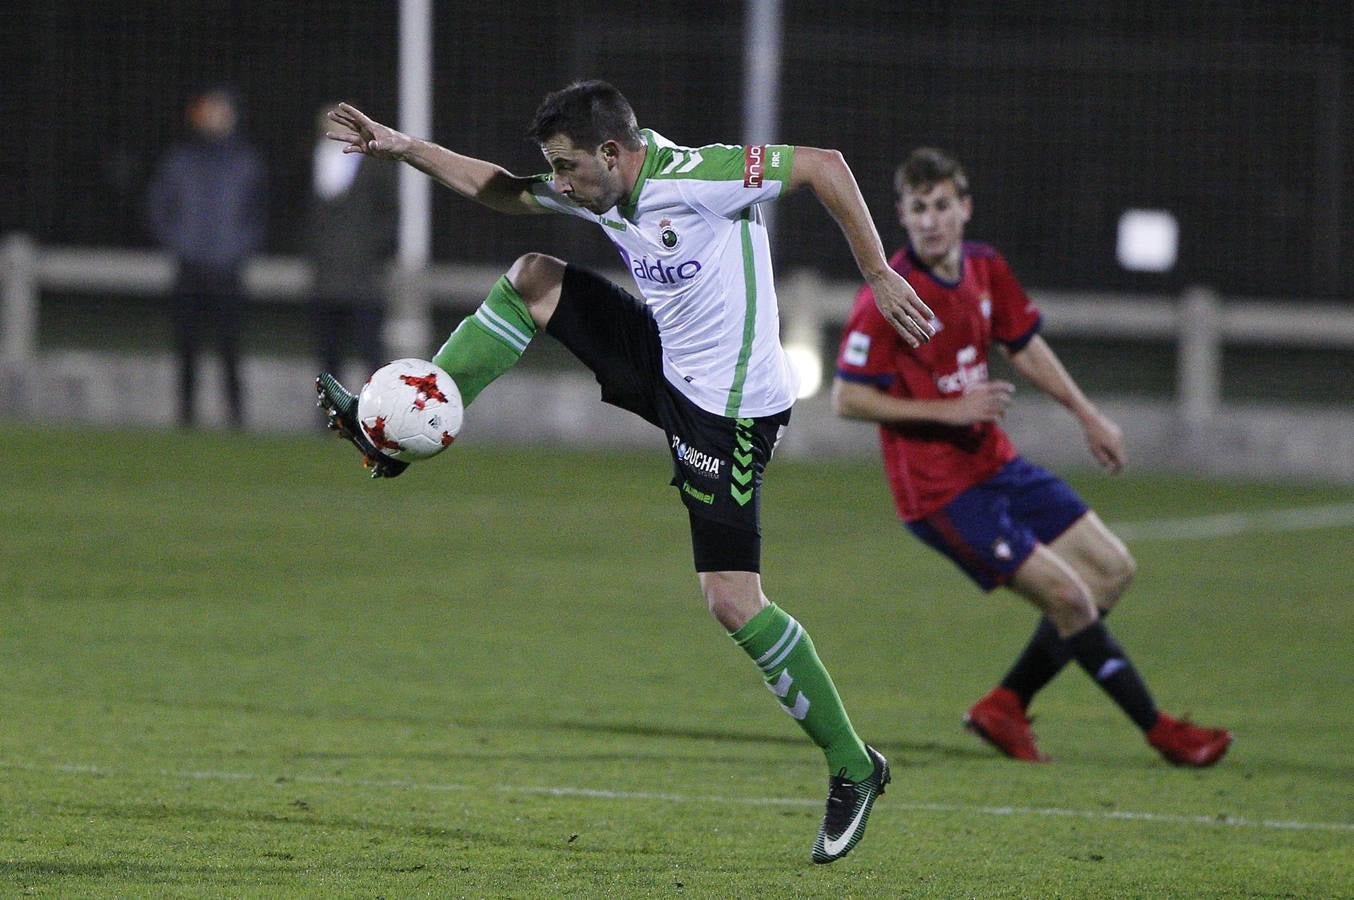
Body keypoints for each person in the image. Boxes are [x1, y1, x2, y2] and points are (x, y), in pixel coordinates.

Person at [315, 81, 935, 863]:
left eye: (567, 167)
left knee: (733, 602)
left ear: (612, 152)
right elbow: (502, 192)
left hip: (732, 414)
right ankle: (407, 424)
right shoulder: (599, 187)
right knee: (535, 276)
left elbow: (824, 165)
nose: (560, 182)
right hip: (667, 364)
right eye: (557, 168)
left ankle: (854, 765)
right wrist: (404, 147)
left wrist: (877, 273)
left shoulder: (701, 177)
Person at [832, 147, 1232, 767]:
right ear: (902, 218)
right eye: (918, 209)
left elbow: (1023, 346)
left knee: (1113, 569)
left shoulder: (986, 268)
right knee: (1072, 598)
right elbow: (848, 399)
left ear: (964, 209)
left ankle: (1006, 705)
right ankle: (1162, 732)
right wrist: (950, 411)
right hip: (942, 493)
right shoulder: (888, 295)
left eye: (942, 205)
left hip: (997, 466)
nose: (931, 220)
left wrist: (1087, 414)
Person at [147, 86, 266, 429]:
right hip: (190, 266)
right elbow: (159, 206)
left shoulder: (246, 161)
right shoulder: (181, 159)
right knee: (187, 347)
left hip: (228, 269)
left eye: (221, 111)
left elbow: (257, 214)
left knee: (230, 347)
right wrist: (179, 243)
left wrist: (238, 248)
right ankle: (186, 415)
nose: (215, 118)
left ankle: (236, 417)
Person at [302, 104, 398, 378]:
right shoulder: (313, 160)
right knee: (328, 355)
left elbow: (390, 213)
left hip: (364, 278)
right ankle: (331, 416)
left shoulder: (374, 164)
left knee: (371, 354)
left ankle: (378, 414)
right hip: (325, 276)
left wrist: (372, 250)